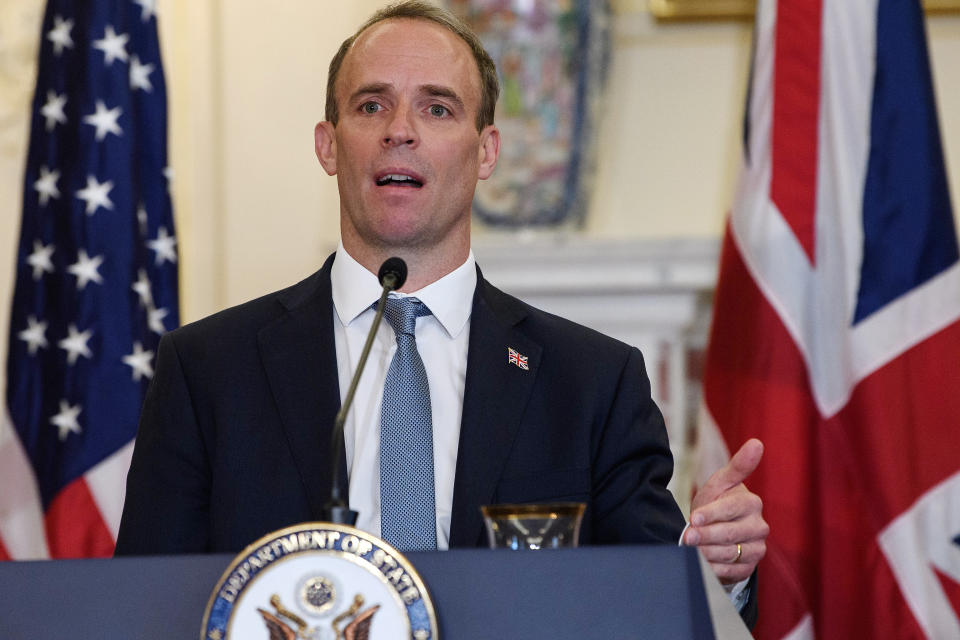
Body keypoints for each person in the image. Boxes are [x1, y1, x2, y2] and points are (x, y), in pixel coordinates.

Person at [116, 0, 768, 626]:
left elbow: (644, 598)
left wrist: (713, 569)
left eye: (437, 107)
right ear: (329, 145)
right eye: (371, 105)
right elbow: (146, 607)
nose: (401, 129)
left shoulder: (592, 382)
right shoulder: (207, 372)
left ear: (486, 151)